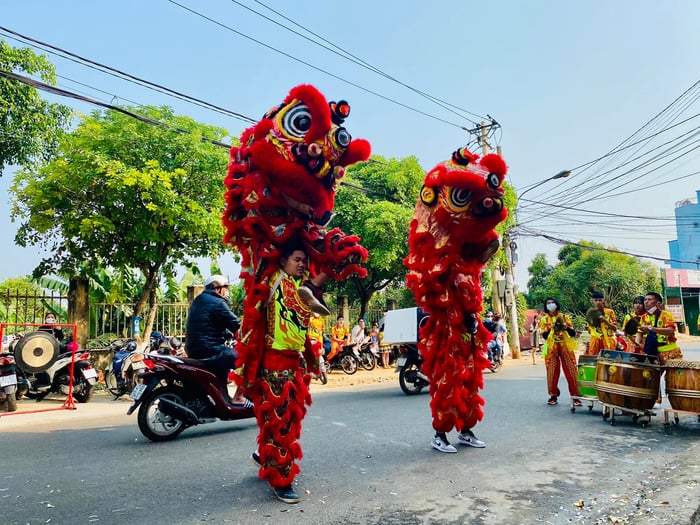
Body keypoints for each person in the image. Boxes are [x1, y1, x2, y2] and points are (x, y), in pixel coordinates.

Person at [250, 243, 328, 504]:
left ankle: (268, 458)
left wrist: (313, 362)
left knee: (288, 421)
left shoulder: (301, 288)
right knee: (279, 423)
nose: (302, 264)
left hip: (295, 365)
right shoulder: (273, 280)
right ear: (282, 261)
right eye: (297, 259)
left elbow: (301, 330)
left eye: (305, 260)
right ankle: (281, 479)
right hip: (273, 365)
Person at [185, 275, 241, 401]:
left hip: (194, 349)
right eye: (225, 287)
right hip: (210, 349)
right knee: (247, 360)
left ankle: (223, 396)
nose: (227, 291)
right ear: (217, 288)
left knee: (224, 363)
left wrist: (228, 333)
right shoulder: (218, 302)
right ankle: (240, 397)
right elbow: (236, 324)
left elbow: (209, 324)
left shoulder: (199, 300)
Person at [637, 292, 683, 407]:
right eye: (645, 300)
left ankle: (681, 401)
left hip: (671, 352)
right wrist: (637, 344)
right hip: (654, 352)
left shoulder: (666, 315)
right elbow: (639, 333)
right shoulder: (643, 318)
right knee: (653, 377)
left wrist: (651, 328)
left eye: (649, 300)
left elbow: (670, 331)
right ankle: (656, 401)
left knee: (676, 377)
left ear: (658, 303)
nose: (646, 302)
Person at [539, 297, 581, 406]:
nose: (551, 304)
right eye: (548, 303)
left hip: (565, 346)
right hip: (552, 348)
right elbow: (544, 336)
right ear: (546, 306)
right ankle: (553, 396)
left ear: (556, 304)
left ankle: (575, 396)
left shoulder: (564, 317)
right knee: (552, 372)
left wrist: (565, 327)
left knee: (571, 370)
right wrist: (551, 328)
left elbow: (573, 333)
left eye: (552, 302)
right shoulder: (544, 319)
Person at [584, 291, 617, 355]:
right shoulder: (591, 313)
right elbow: (589, 331)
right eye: (596, 300)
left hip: (608, 340)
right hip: (595, 341)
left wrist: (605, 321)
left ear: (603, 300)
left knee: (608, 361)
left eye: (600, 300)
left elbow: (615, 328)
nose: (598, 302)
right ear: (592, 301)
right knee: (594, 362)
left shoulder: (609, 312)